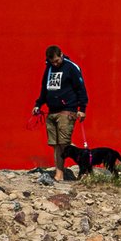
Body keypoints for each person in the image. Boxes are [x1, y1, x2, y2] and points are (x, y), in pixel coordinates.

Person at [33, 45, 88, 179]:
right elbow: (45, 88)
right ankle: (59, 174)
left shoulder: (71, 68)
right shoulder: (49, 68)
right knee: (56, 144)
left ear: (61, 54)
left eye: (57, 61)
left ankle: (85, 166)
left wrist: (82, 109)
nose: (55, 64)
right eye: (53, 62)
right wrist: (38, 104)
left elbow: (80, 88)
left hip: (67, 110)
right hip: (52, 111)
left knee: (64, 142)